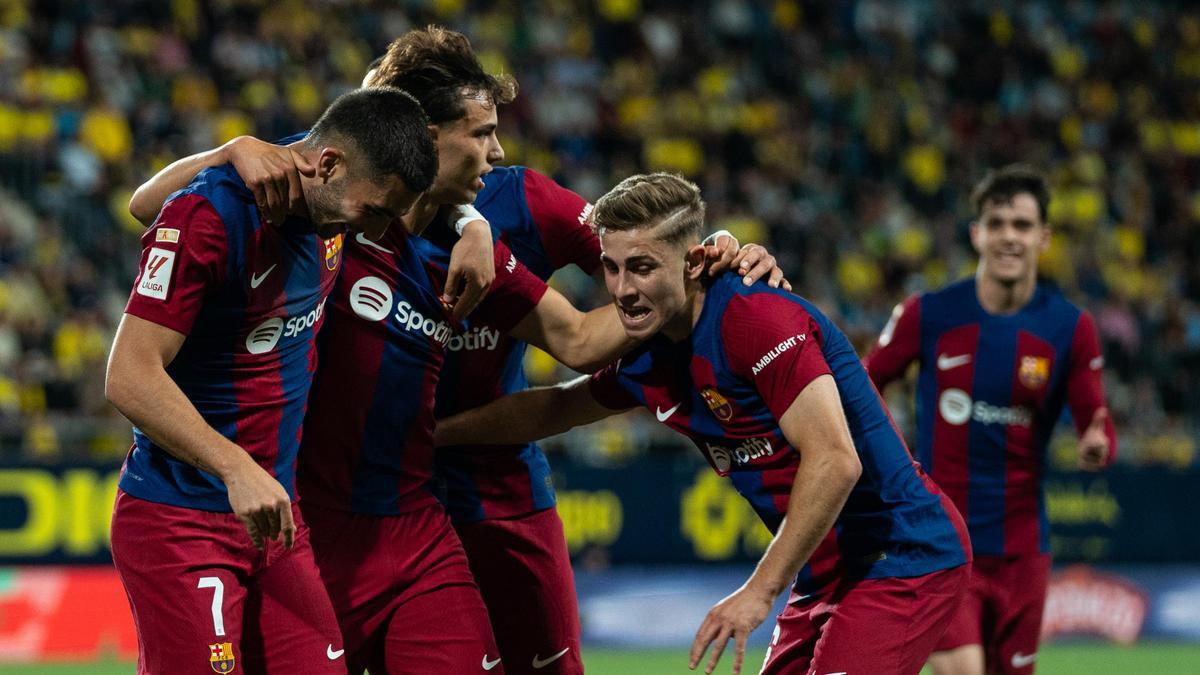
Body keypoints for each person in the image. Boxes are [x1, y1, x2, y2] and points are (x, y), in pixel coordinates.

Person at [129, 26, 787, 675]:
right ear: (423, 137)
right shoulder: (338, 201)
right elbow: (156, 208)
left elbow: (582, 334)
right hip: (309, 518)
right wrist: (232, 149)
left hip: (447, 511)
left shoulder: (499, 213)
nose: (498, 151)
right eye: (482, 133)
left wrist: (704, 265)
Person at [435, 173, 973, 675]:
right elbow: (555, 407)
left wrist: (758, 593)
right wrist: (436, 433)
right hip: (822, 574)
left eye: (642, 267)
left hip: (903, 555)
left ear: (693, 262)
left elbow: (835, 460)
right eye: (611, 267)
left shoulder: (755, 319)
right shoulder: (649, 355)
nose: (621, 289)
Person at [105, 86, 438, 675]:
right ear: (328, 165)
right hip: (182, 521)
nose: (383, 234)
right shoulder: (212, 218)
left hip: (277, 524)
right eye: (378, 213)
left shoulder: (316, 178)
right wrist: (235, 468)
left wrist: (476, 228)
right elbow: (128, 377)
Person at [863, 164, 1116, 675]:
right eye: (996, 223)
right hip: (942, 544)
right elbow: (862, 384)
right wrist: (888, 462)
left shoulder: (1069, 327)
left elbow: (1097, 418)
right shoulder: (928, 314)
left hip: (1024, 552)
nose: (1008, 236)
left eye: (1021, 225)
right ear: (976, 233)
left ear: (1044, 238)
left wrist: (1097, 441)